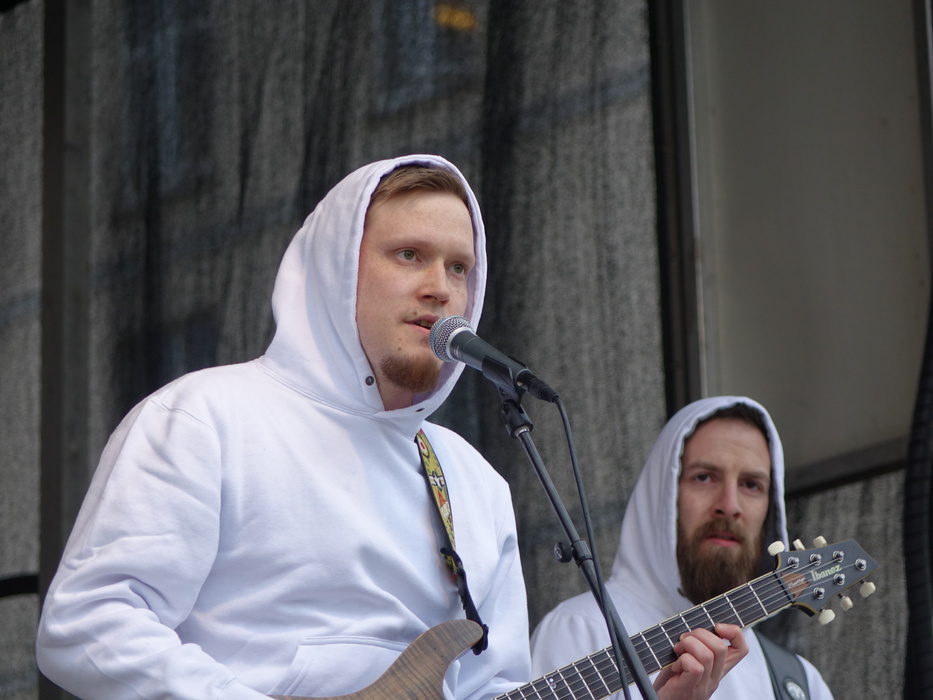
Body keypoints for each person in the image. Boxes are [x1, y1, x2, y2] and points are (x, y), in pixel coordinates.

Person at [36, 155, 743, 700]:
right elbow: (88, 625)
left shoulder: (472, 482)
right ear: (336, 269)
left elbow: (490, 688)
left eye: (459, 268)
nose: (440, 287)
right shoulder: (205, 417)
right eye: (409, 255)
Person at [530, 396, 834, 699]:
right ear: (662, 494)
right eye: (704, 477)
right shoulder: (580, 630)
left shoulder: (800, 682)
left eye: (751, 484)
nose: (729, 505)